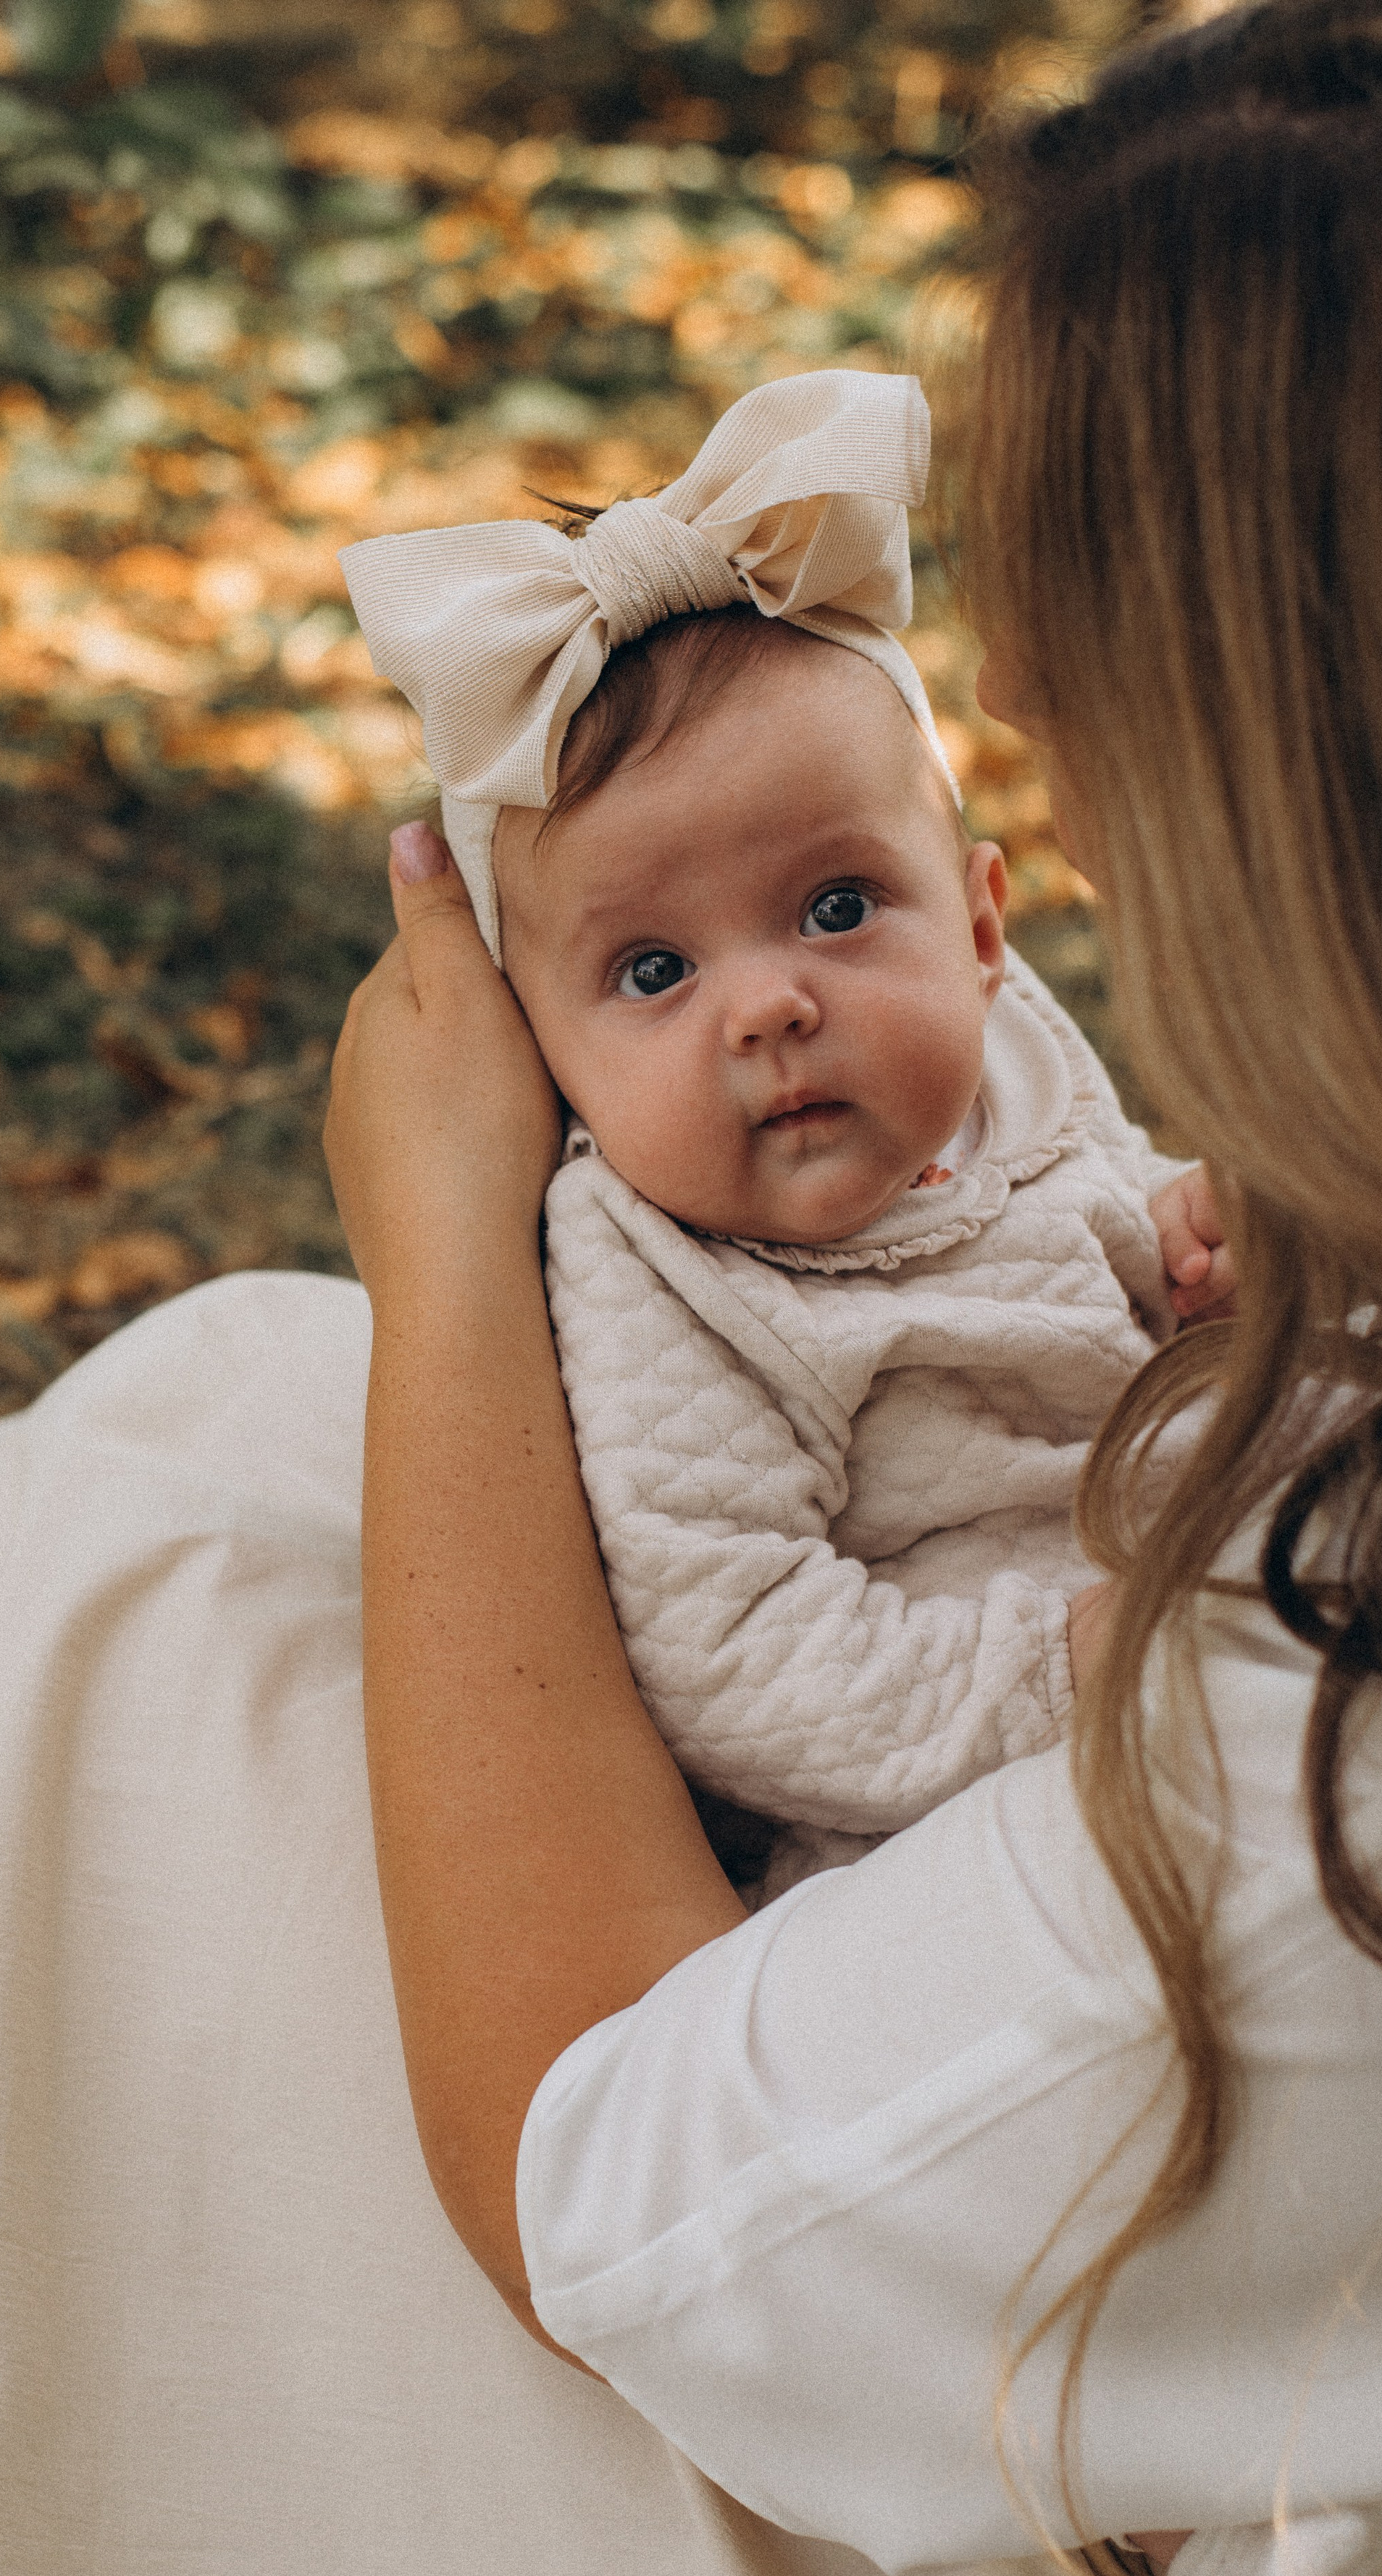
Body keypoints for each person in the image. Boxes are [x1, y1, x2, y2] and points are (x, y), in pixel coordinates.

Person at [0, 6, 1382, 2576]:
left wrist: (453, 1248)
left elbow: (621, 2191)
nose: (1075, 794)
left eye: (1084, 692)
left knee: (60, 1820)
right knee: (176, 1484)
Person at [343, 369, 1226, 1910]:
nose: (762, 1007)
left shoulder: (1007, 1074)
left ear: (978, 925)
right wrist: (1072, 1667)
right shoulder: (661, 1279)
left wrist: (1182, 1238)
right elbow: (739, 1648)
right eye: (652, 972)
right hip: (925, 1806)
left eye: (833, 909)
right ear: (540, 1054)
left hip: (1178, 1603)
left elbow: (1085, 1232)